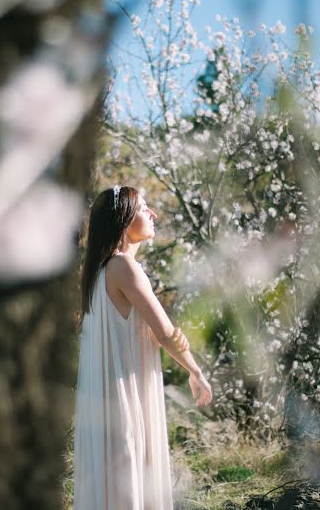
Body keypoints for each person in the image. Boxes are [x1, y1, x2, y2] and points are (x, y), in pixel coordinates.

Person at [73, 185, 212, 510]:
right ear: (123, 220)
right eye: (144, 207)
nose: (153, 214)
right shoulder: (123, 268)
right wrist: (195, 371)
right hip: (124, 399)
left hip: (107, 399)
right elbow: (165, 332)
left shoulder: (101, 270)